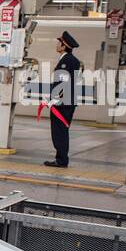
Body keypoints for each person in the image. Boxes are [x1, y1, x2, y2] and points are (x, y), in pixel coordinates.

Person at [44, 31, 82, 168]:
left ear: (64, 45)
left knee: (59, 131)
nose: (57, 45)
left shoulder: (66, 61)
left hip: (62, 103)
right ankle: (61, 158)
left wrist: (53, 100)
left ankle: (61, 160)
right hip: (68, 102)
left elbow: (63, 83)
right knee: (63, 131)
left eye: (59, 42)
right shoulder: (74, 61)